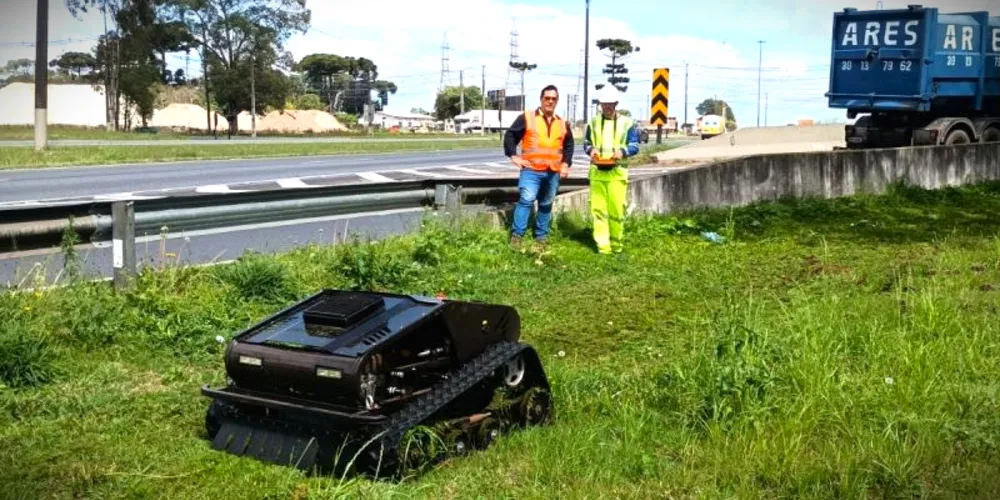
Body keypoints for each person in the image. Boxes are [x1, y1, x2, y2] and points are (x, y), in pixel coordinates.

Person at [504, 85, 575, 248]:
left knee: (546, 203)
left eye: (553, 98)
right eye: (547, 98)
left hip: (553, 171)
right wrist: (513, 156)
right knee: (526, 200)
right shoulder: (528, 117)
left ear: (557, 101)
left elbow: (569, 145)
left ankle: (541, 237)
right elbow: (511, 135)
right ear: (541, 99)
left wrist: (565, 164)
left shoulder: (563, 122)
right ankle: (517, 236)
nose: (550, 101)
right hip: (531, 170)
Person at [582, 85, 640, 255]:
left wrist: (622, 152)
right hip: (597, 173)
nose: (607, 107)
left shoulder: (627, 123)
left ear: (616, 104)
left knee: (616, 210)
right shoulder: (593, 122)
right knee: (598, 211)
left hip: (617, 174)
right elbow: (586, 143)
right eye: (604, 104)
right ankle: (603, 247)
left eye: (610, 104)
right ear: (600, 104)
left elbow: (635, 146)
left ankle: (617, 245)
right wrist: (590, 151)